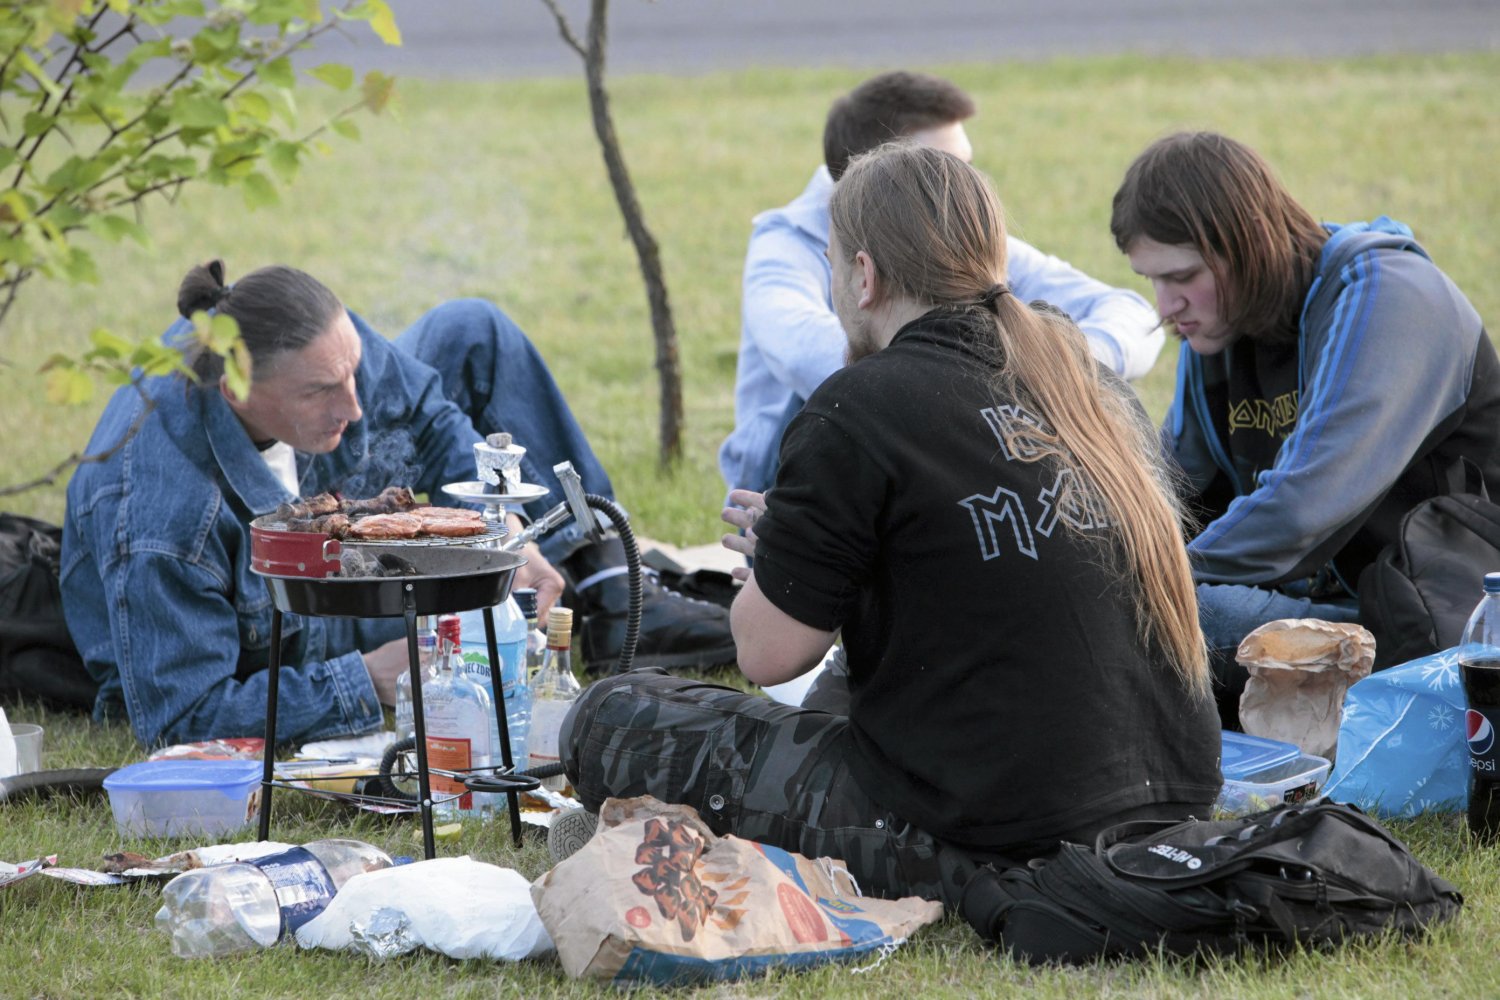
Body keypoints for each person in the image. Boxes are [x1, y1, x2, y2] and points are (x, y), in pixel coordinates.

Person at [557, 143, 1222, 911]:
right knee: (837, 695)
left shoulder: (858, 407)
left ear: (864, 276)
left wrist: (783, 557)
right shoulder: (1091, 382)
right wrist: (828, 550)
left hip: (993, 830)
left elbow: (768, 653)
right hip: (1171, 800)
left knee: (608, 715)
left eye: (834, 269)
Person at [60, 262, 732, 748]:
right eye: (323, 390)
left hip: (334, 531)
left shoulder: (319, 343)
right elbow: (178, 718)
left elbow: (426, 415)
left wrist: (512, 539)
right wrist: (365, 681)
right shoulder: (164, 522)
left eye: (351, 371)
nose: (354, 406)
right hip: (287, 632)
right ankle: (596, 592)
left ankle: (608, 582)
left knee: (472, 328)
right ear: (237, 391)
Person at [1110, 131, 1500, 725]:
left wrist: (1134, 581)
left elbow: (1301, 512)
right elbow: (1175, 497)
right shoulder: (1219, 326)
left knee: (1166, 607)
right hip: (1327, 606)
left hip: (1449, 618)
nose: (1166, 306)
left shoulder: (1391, 295)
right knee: (1146, 601)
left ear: (1245, 244)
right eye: (1151, 280)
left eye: (1182, 275)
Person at [719, 70, 1164, 497]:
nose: (967, 187)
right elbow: (807, 355)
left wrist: (1057, 366)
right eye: (944, 171)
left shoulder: (959, 231)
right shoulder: (787, 243)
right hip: (790, 489)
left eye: (967, 169)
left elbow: (1132, 315)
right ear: (883, 177)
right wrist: (994, 376)